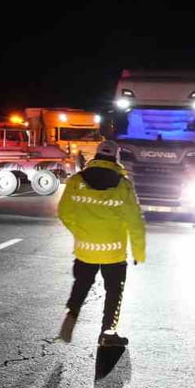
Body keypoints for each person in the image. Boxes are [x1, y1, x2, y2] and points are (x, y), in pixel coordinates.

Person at [56, 139, 147, 347]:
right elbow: (135, 221)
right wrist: (138, 252)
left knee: (82, 283)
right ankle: (108, 332)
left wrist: (80, 232)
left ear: (96, 156)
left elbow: (64, 213)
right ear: (116, 158)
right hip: (113, 252)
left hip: (85, 249)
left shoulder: (76, 181)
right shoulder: (123, 185)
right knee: (114, 291)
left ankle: (73, 311)